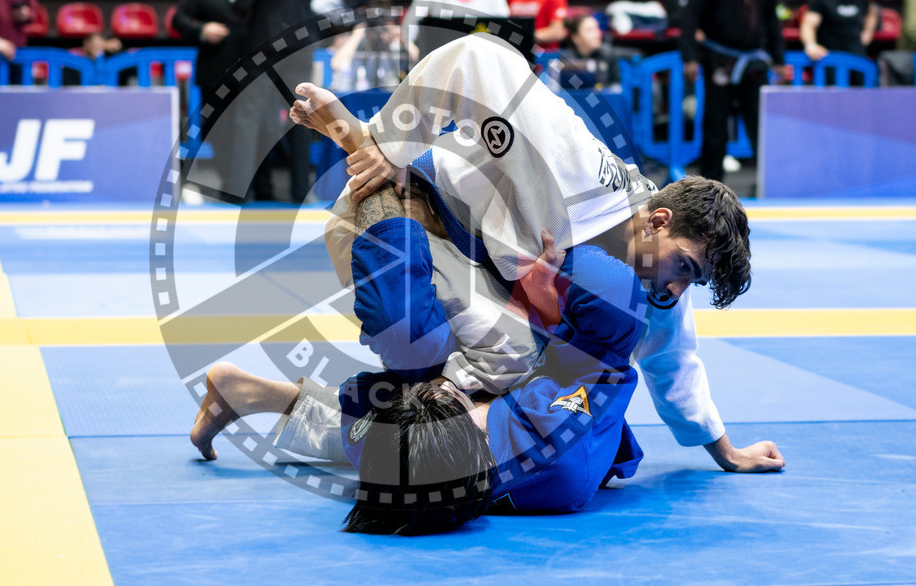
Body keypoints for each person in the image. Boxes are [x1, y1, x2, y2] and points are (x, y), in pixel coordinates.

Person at [290, 33, 784, 475]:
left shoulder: (659, 269)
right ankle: (355, 138)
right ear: (659, 220)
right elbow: (474, 56)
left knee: (524, 385)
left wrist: (725, 451)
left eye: (693, 280)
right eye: (685, 268)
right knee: (460, 357)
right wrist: (388, 143)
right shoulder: (572, 167)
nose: (676, 289)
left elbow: (672, 357)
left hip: (466, 260)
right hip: (398, 206)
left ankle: (281, 405)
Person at [191, 179, 651, 533]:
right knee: (601, 296)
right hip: (538, 338)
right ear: (480, 430)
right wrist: (549, 296)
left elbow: (377, 406)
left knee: (407, 355)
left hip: (380, 227)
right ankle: (385, 185)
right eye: (448, 399)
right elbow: (604, 348)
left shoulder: (387, 451)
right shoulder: (555, 445)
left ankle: (250, 394)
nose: (437, 389)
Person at [230, 0, 323, 203]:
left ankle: (238, 192)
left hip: (264, 43)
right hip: (301, 41)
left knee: (249, 116)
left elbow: (244, 3)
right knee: (302, 114)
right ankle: (300, 192)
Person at [680, 0, 786, 184]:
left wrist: (778, 58)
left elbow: (772, 20)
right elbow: (691, 17)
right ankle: (709, 186)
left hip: (753, 63)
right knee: (715, 125)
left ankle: (769, 183)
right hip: (719, 59)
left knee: (759, 124)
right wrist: (690, 57)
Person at [556, 14, 623, 90]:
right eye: (589, 30)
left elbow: (616, 86)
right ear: (576, 38)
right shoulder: (566, 60)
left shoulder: (608, 54)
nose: (597, 34)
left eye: (597, 28)